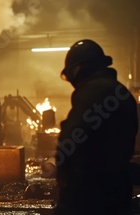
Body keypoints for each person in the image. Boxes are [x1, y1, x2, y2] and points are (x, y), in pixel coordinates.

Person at [56, 39, 138, 215]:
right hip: (116, 194)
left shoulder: (92, 92)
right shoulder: (120, 91)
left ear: (78, 70)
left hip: (89, 198)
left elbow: (70, 142)